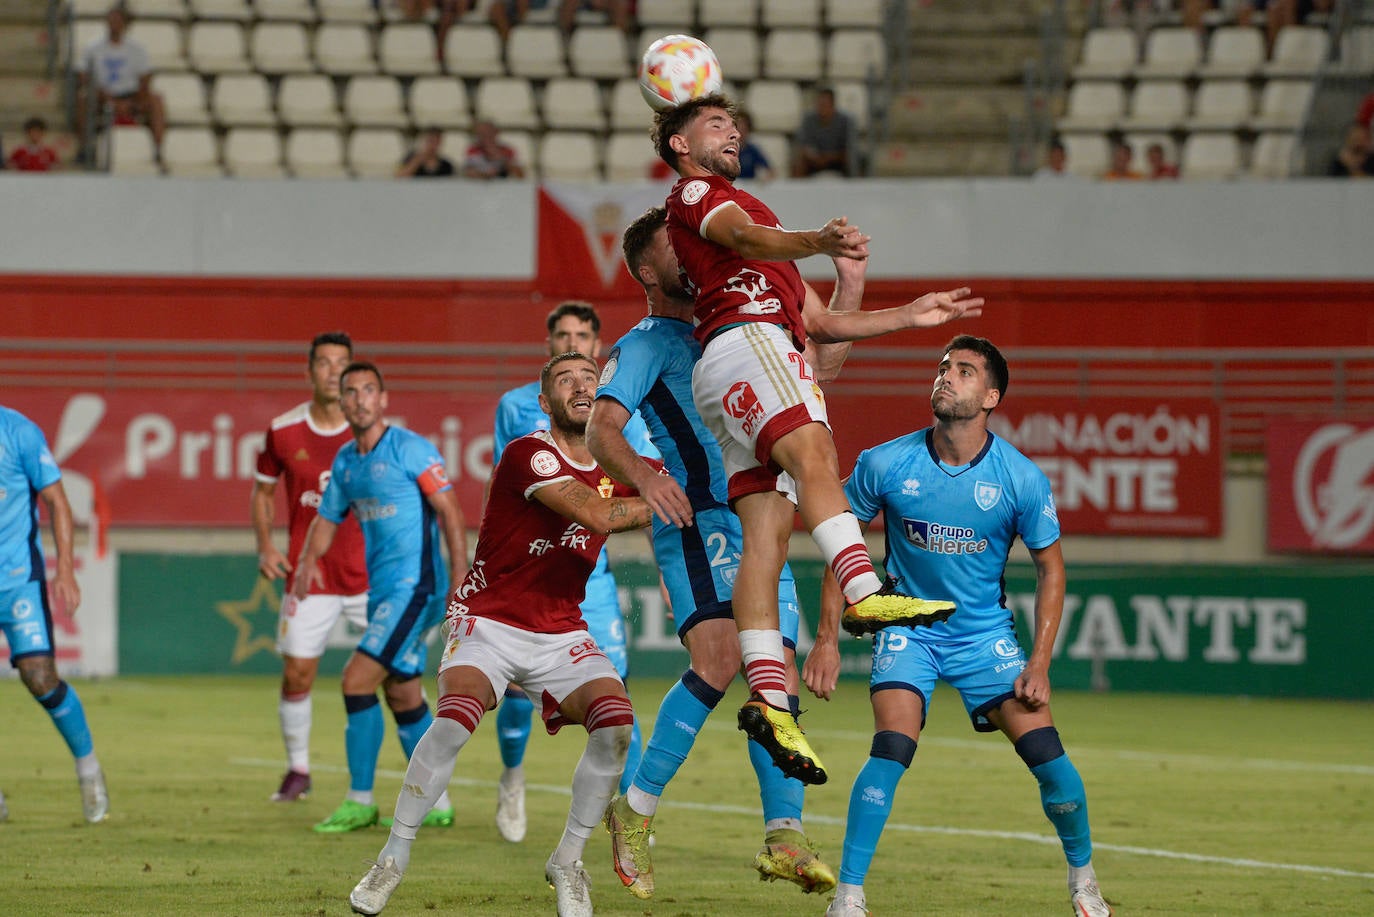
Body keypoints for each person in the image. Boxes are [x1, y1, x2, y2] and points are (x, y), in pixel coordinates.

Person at [650, 93, 981, 790]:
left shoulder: (757, 234)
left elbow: (823, 323)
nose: (733, 131)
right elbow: (746, 239)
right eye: (715, 124)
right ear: (680, 145)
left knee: (766, 535)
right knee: (817, 453)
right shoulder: (698, 194)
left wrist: (912, 314)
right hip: (750, 343)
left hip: (743, 356)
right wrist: (815, 240)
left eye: (735, 123)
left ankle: (771, 699)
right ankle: (863, 589)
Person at [590, 206, 883, 899]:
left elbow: (819, 374)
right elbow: (603, 428)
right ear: (648, 269)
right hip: (695, 516)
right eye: (676, 248)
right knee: (720, 659)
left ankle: (785, 835)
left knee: (772, 672)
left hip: (760, 513)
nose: (691, 254)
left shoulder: (734, 322)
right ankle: (633, 810)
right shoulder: (646, 344)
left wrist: (848, 285)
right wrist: (649, 474)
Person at [803, 335, 1113, 917]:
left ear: (991, 395)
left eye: (965, 372)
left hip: (982, 638)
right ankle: (847, 896)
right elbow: (838, 541)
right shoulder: (885, 462)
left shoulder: (1019, 477)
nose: (946, 376)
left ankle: (1084, 881)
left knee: (1051, 761)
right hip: (907, 629)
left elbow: (1052, 568)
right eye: (944, 367)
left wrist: (1039, 661)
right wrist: (825, 639)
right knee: (892, 746)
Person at [348, 352, 659, 917]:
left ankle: (568, 861)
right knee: (455, 719)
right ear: (545, 403)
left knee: (616, 725)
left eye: (590, 378)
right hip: (488, 621)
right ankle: (392, 858)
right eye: (566, 380)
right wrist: (665, 499)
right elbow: (598, 515)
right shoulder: (528, 453)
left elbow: (664, 494)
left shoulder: (622, 469)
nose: (580, 386)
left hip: (561, 629)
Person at [489, 301, 653, 844]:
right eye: (562, 335)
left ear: (598, 348)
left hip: (592, 574)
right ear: (547, 345)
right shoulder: (516, 407)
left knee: (615, 693)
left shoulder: (622, 410)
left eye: (582, 335)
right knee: (515, 691)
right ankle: (513, 777)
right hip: (530, 574)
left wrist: (673, 571)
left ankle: (625, 819)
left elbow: (648, 482)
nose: (571, 341)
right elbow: (503, 492)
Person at [292, 361, 468, 833]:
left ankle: (360, 799)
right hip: (384, 592)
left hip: (417, 589)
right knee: (403, 693)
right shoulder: (347, 462)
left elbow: (450, 510)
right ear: (342, 401)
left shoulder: (412, 450)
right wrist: (307, 563)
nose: (360, 398)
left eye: (369, 390)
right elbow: (326, 520)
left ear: (383, 399)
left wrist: (460, 576)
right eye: (351, 391)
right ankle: (439, 801)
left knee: (355, 680)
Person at [251, 332, 369, 803]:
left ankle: (425, 783)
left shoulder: (370, 429)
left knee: (400, 676)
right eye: (324, 363)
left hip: (369, 576)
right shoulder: (282, 431)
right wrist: (264, 545)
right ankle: (298, 769)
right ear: (310, 371)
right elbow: (262, 492)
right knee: (298, 673)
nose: (333, 371)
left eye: (342, 363)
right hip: (310, 577)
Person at [0, 405, 108, 823]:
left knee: (40, 678)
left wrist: (64, 569)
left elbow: (58, 502)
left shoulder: (20, 432)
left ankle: (89, 770)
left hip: (18, 581)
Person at [76, 6, 166, 155]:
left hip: (131, 95)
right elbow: (83, 75)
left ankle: (158, 149)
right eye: (111, 20)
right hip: (102, 94)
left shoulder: (137, 48)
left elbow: (145, 78)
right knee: (82, 98)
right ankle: (86, 147)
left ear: (125, 24)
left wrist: (131, 101)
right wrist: (108, 98)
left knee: (156, 101)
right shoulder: (93, 47)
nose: (114, 24)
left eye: (118, 21)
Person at [792, 86, 857, 178]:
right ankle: (798, 190)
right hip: (814, 162)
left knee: (854, 160)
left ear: (833, 105)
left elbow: (849, 149)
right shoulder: (808, 120)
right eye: (819, 104)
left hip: (837, 161)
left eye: (824, 104)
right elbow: (803, 146)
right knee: (799, 162)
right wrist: (816, 157)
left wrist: (828, 157)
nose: (821, 108)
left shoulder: (845, 121)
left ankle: (854, 187)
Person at [734, 109, 774, 181]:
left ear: (749, 129)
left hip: (749, 188)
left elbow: (769, 171)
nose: (741, 133)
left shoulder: (752, 150)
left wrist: (764, 177)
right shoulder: (725, 151)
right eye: (738, 129)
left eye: (744, 129)